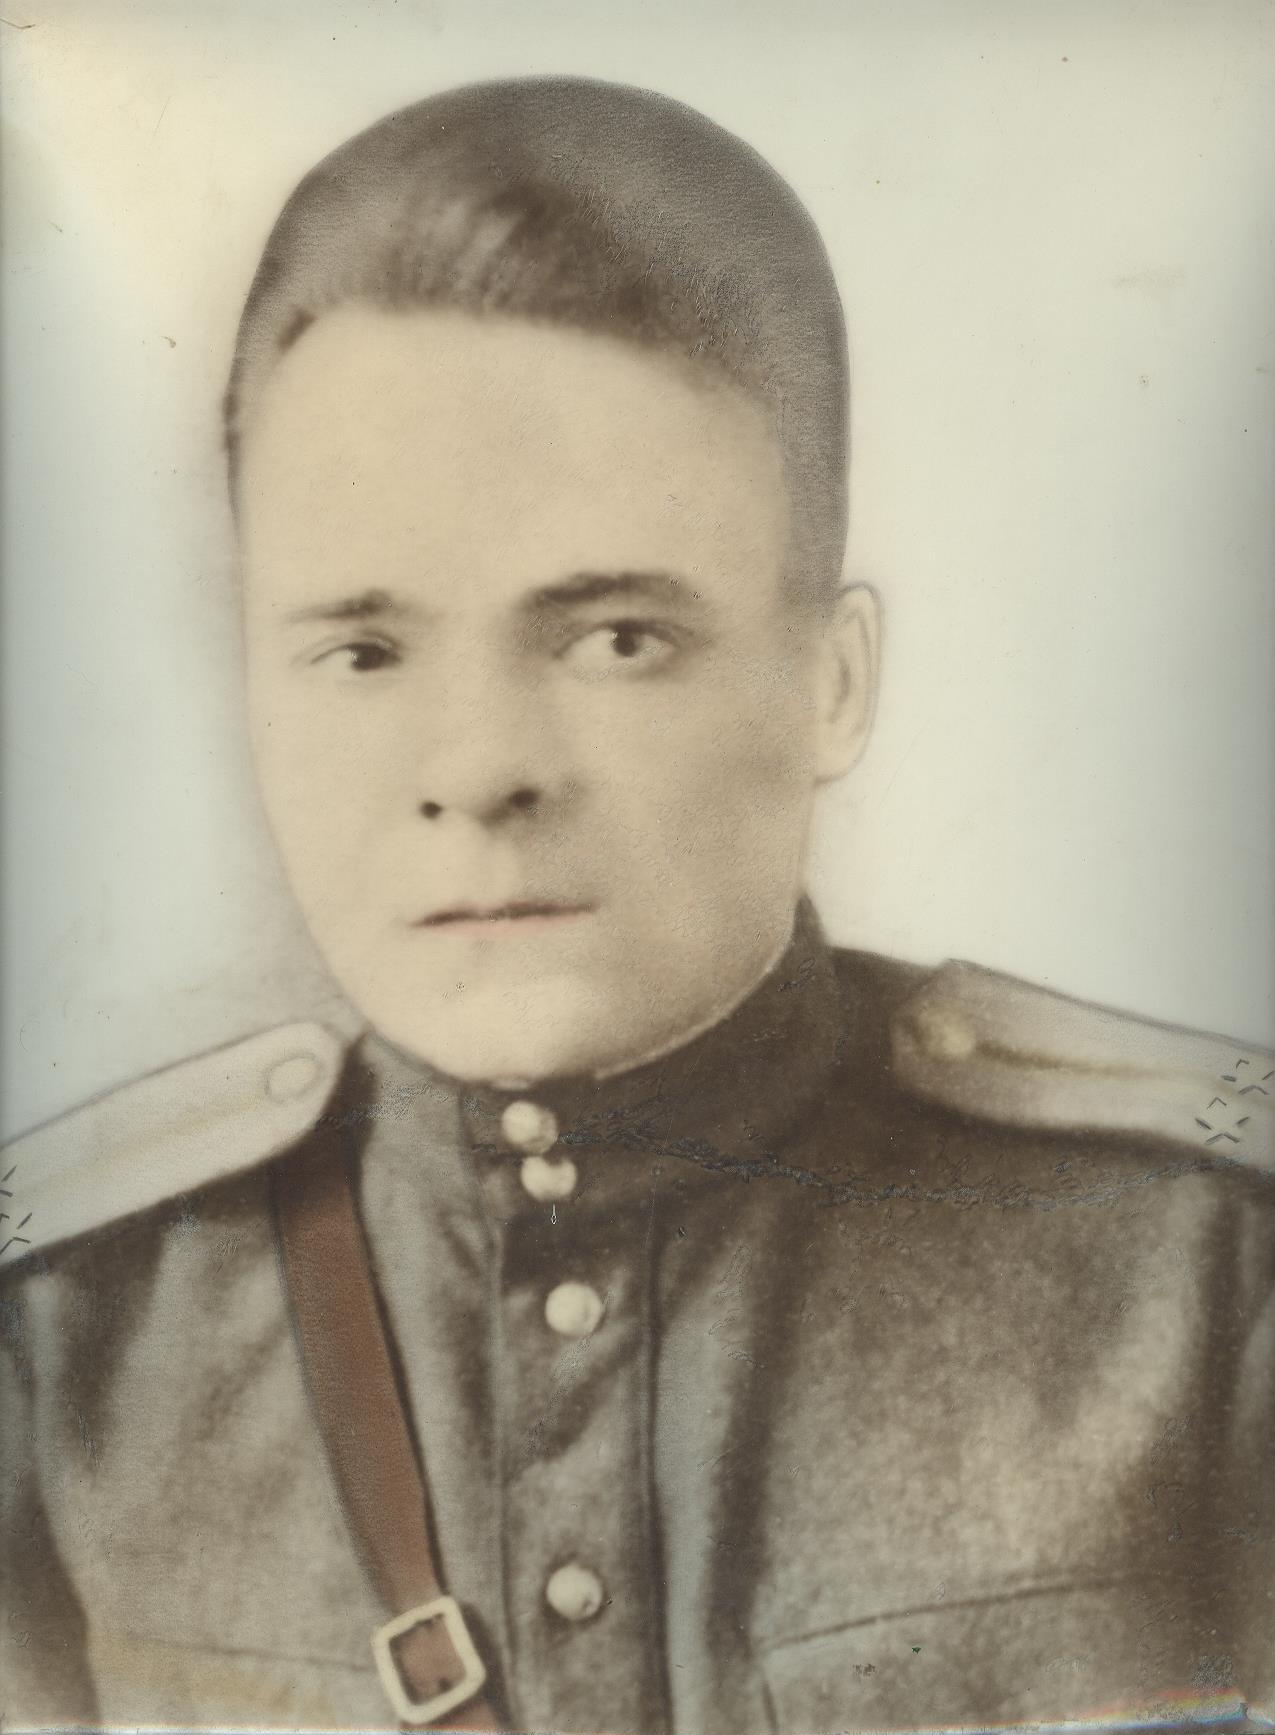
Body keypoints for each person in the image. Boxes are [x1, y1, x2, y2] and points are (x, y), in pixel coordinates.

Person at [1, 75, 1271, 1735]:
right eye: (364, 652)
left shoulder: (1205, 1281)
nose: (479, 770)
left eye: (616, 638)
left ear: (831, 683)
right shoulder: (74, 1345)